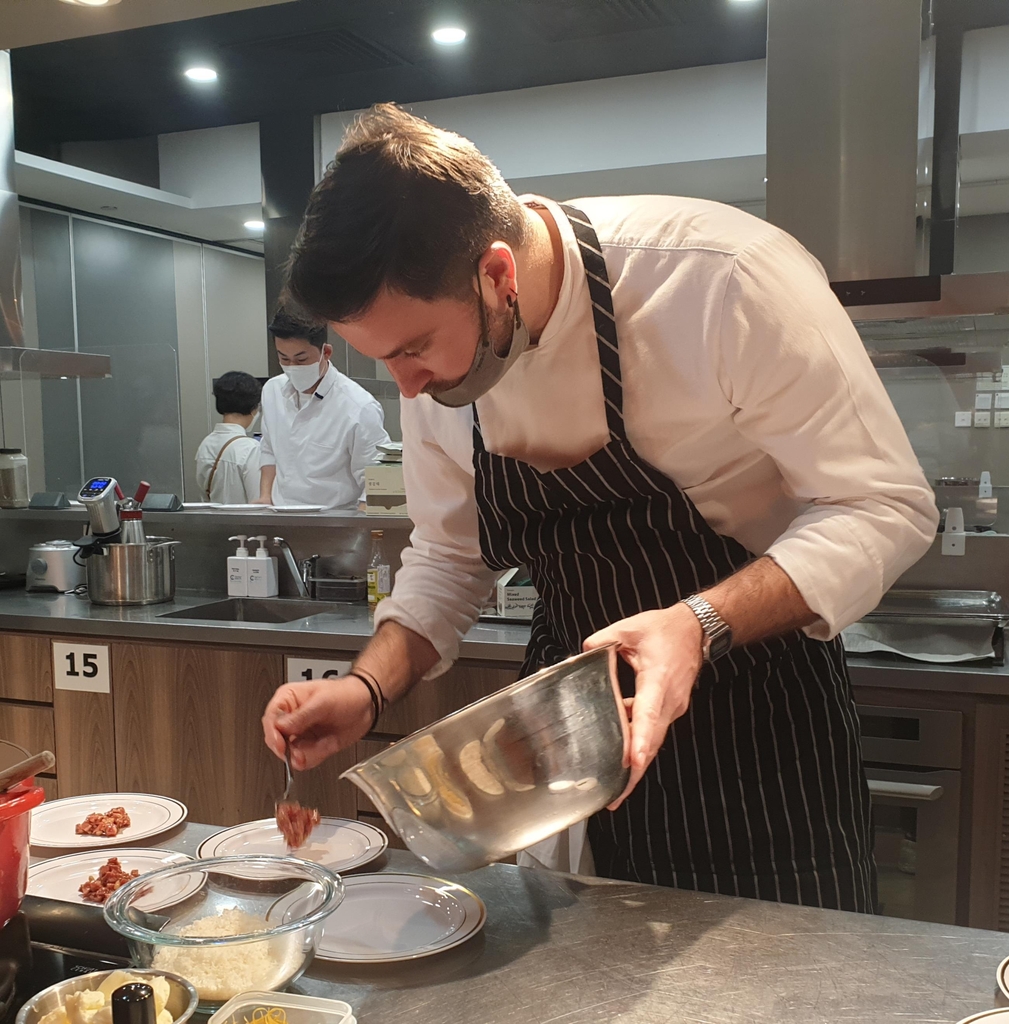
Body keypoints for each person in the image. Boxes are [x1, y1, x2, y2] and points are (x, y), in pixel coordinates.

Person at [262, 105, 939, 911]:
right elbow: (450, 559)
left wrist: (696, 624)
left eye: (411, 350)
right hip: (572, 744)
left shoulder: (721, 277)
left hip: (762, 726)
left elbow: (883, 506)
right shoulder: (441, 376)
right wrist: (367, 689)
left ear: (497, 275)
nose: (406, 388)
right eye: (383, 361)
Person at [256, 307, 390, 509]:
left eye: (301, 359)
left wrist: (359, 529)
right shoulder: (272, 391)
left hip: (333, 524)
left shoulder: (359, 407)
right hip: (280, 518)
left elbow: (376, 480)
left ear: (326, 352)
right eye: (284, 358)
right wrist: (265, 496)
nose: (292, 366)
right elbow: (269, 448)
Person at [195, 370, 262, 503]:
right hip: (245, 521)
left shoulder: (206, 444)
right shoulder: (251, 448)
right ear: (254, 408)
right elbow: (257, 502)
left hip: (216, 521)